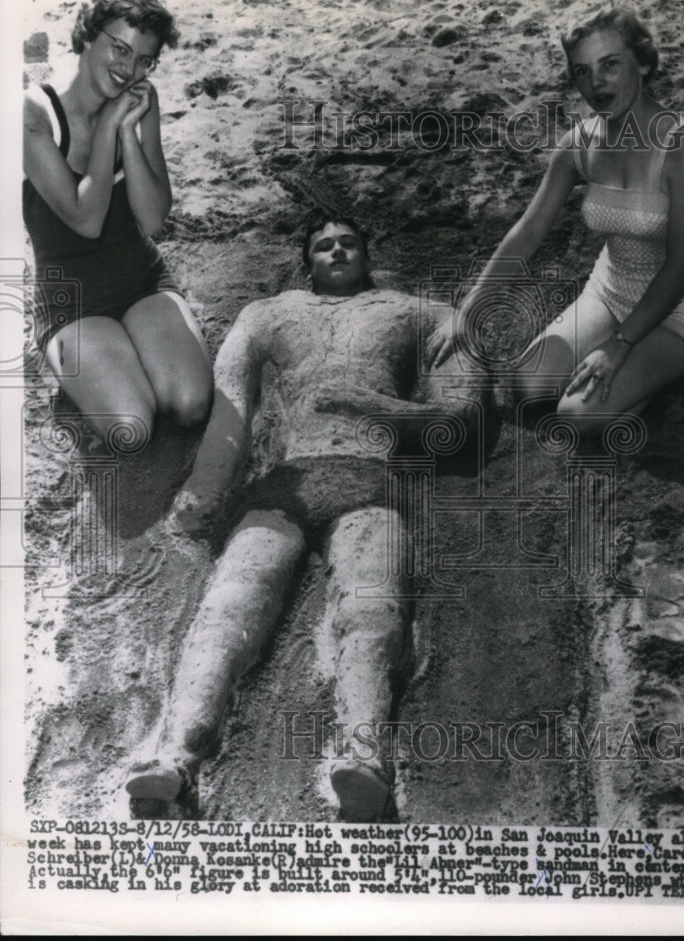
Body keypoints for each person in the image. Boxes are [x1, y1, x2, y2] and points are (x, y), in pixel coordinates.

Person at [125, 217, 485, 820]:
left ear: (367, 253)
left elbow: (462, 415)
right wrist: (205, 486)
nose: (337, 250)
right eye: (323, 245)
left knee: (371, 609)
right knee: (230, 604)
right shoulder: (268, 315)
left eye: (348, 242)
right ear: (307, 260)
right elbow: (231, 408)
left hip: (372, 479)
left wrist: (371, 406)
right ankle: (175, 757)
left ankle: (365, 758)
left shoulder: (419, 314)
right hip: (289, 481)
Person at [427, 7, 684, 435]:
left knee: (575, 415)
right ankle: (627, 379)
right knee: (528, 385)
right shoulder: (577, 144)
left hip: (676, 310)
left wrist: (618, 346)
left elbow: (682, 266)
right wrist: (469, 310)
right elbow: (528, 232)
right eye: (583, 71)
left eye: (610, 64)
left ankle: (655, 380)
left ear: (643, 62)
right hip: (609, 293)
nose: (596, 83)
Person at [23, 0, 212, 449]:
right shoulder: (33, 115)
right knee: (132, 427)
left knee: (190, 405)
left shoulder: (142, 101)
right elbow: (86, 220)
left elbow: (153, 217)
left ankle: (123, 360)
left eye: (145, 60)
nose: (130, 69)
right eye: (121, 49)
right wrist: (108, 126)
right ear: (89, 36)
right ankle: (74, 366)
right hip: (71, 301)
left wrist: (129, 129)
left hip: (141, 280)